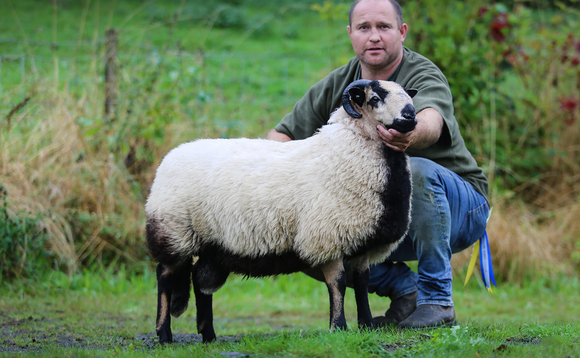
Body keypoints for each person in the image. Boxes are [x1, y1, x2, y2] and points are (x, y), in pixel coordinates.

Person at [266, 0, 490, 329]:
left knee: (414, 170)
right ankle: (405, 289)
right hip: (384, 215)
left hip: (461, 210)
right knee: (310, 240)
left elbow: (432, 121)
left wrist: (409, 135)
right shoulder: (339, 84)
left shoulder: (423, 73)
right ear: (351, 35)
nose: (374, 36)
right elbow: (280, 138)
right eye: (364, 28)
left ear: (401, 32)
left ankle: (437, 300)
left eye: (383, 27)